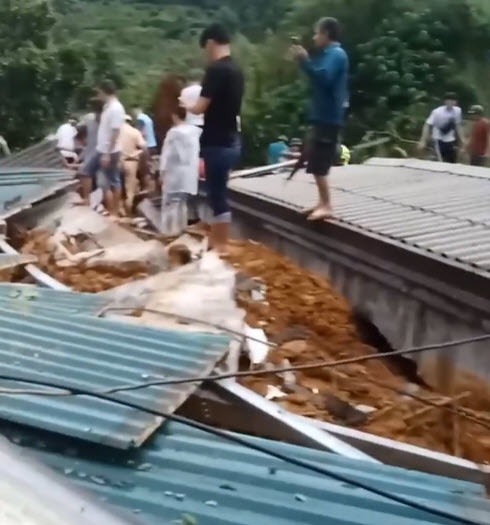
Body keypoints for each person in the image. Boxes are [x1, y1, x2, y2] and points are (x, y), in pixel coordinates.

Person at [183, 24, 244, 255]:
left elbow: (200, 108)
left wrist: (187, 105)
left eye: (205, 48)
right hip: (232, 139)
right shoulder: (237, 71)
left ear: (210, 42)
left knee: (217, 194)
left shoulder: (216, 70)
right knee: (220, 192)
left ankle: (220, 246)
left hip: (216, 140)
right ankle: (218, 242)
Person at [291, 17, 349, 220]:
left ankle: (327, 204)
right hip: (321, 115)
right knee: (315, 160)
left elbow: (323, 77)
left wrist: (305, 61)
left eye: (317, 33)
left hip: (329, 117)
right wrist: (304, 61)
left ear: (326, 34)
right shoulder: (327, 55)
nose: (315, 37)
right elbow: (316, 75)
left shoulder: (337, 54)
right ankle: (321, 201)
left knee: (320, 161)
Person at [83, 79, 125, 217]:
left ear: (104, 91)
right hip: (101, 149)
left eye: (99, 92)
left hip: (109, 151)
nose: (98, 95)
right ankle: (86, 200)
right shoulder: (108, 107)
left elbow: (115, 132)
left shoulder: (116, 108)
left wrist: (107, 153)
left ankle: (115, 211)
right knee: (86, 171)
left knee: (113, 181)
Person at [159, 106, 202, 235]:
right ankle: (181, 229)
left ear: (175, 115)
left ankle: (168, 231)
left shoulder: (174, 133)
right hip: (189, 173)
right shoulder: (196, 132)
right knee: (182, 203)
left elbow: (167, 154)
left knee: (169, 203)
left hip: (174, 172)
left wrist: (162, 172)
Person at [418, 93, 464, 164]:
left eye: (452, 101)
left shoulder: (457, 111)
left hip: (450, 140)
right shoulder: (437, 112)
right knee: (440, 161)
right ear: (445, 102)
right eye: (448, 100)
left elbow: (458, 126)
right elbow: (427, 124)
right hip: (438, 139)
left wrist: (463, 140)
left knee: (451, 161)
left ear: (456, 102)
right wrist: (423, 140)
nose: (450, 103)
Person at [78, 98, 104, 205]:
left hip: (96, 151)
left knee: (84, 172)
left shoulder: (88, 118)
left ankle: (87, 199)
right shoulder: (107, 117)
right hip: (105, 150)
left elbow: (80, 129)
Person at [120, 115, 146, 213]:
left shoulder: (115, 131)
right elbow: (143, 147)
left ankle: (119, 209)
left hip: (117, 162)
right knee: (129, 189)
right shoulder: (135, 132)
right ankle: (128, 210)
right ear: (130, 121)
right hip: (131, 162)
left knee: (117, 187)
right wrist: (133, 154)